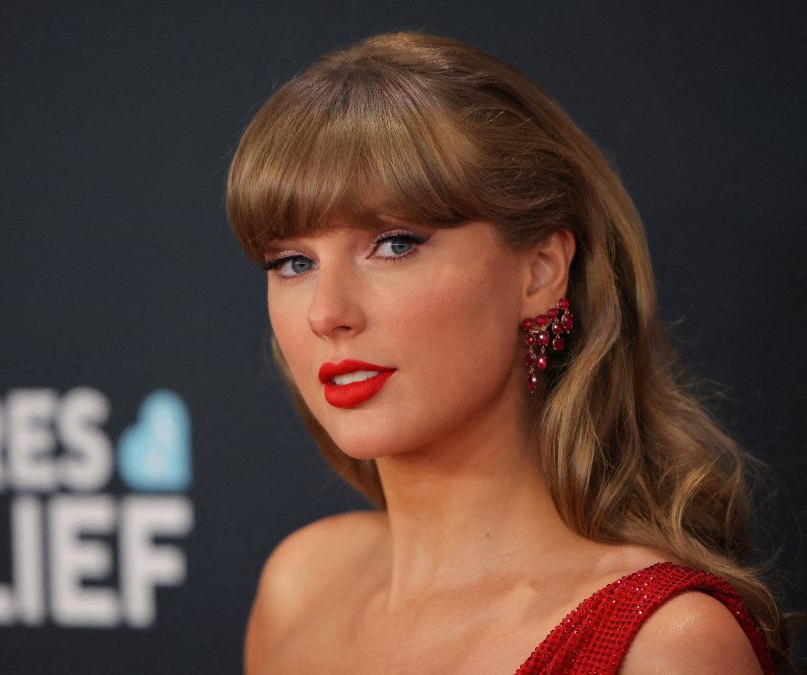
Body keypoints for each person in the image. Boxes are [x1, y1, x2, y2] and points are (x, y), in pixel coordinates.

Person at [226, 32, 791, 673]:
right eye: (293, 262)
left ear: (541, 271)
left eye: (395, 245)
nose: (327, 314)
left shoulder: (665, 643)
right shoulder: (300, 585)